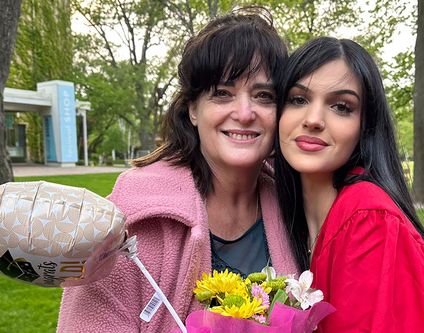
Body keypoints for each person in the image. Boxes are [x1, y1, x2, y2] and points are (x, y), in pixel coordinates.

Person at [57, 8, 298, 332]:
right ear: (192, 110)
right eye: (222, 94)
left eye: (263, 96)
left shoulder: (296, 207)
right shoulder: (129, 222)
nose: (244, 113)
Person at [274, 36, 424, 332]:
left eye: (341, 106)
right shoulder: (286, 217)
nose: (313, 119)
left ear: (365, 127)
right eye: (298, 99)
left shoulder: (370, 222)